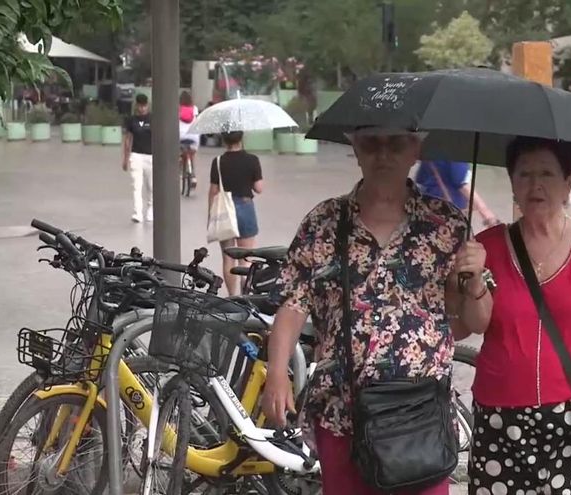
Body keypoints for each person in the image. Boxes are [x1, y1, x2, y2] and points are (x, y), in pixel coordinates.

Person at [262, 126, 490, 495]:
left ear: (416, 149)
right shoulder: (324, 222)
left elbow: (472, 323)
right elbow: (293, 302)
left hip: (419, 418)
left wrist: (475, 279)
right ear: (355, 147)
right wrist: (276, 372)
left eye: (396, 143)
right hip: (343, 412)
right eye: (371, 143)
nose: (383, 155)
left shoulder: (446, 224)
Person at [460, 136, 571, 495]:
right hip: (500, 420)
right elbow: (473, 324)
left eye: (547, 173)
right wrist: (474, 280)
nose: (535, 185)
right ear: (512, 182)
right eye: (524, 174)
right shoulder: (489, 247)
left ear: (568, 181)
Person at [208, 131, 264, 295]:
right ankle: (245, 296)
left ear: (224, 139)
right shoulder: (252, 160)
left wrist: (211, 217)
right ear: (242, 138)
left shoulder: (218, 162)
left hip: (224, 211)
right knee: (245, 258)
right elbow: (259, 188)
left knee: (228, 258)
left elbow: (213, 191)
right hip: (245, 208)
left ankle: (232, 296)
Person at [414, 160, 500, 228]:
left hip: (427, 205)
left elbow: (420, 178)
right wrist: (486, 213)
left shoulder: (432, 147)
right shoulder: (456, 151)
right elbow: (461, 182)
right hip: (450, 210)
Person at [123, 93, 153, 223]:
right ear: (137, 106)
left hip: (151, 156)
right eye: (140, 106)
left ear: (147, 106)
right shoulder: (131, 120)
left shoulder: (153, 119)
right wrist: (125, 158)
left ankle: (151, 211)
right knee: (136, 185)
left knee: (151, 186)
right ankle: (137, 213)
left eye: (144, 106)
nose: (142, 108)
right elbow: (128, 139)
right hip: (136, 156)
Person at [179, 91, 201, 187]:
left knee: (179, 153)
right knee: (191, 156)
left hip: (181, 135)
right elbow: (197, 120)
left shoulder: (178, 109)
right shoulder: (194, 108)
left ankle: (180, 172)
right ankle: (193, 177)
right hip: (194, 136)